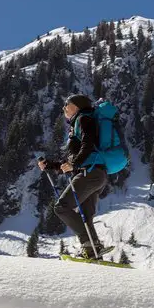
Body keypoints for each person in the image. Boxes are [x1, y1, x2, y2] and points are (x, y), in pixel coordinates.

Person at [38, 94, 109, 259]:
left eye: (66, 105)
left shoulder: (84, 119)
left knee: (61, 207)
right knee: (85, 215)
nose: (63, 108)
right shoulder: (81, 122)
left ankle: (89, 244)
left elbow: (87, 145)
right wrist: (51, 165)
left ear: (76, 106)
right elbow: (72, 161)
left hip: (89, 173)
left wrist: (75, 164)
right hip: (96, 174)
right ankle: (92, 252)